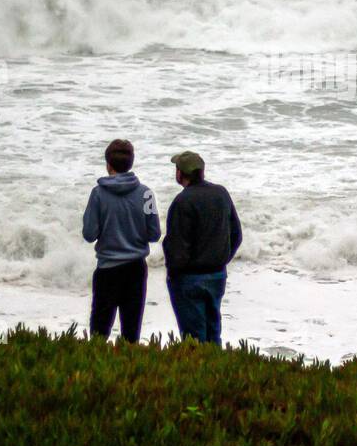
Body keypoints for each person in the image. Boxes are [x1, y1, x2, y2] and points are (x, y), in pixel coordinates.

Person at [81, 139, 161, 342]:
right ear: (131, 163)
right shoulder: (146, 194)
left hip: (107, 269)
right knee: (131, 333)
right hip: (135, 269)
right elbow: (154, 234)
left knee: (99, 333)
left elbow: (89, 234)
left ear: (108, 164)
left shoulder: (98, 194)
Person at [163, 151, 242, 345]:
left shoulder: (182, 201)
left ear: (180, 174)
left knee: (193, 340)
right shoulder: (221, 193)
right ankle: (215, 372)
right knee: (213, 334)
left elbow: (177, 246)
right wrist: (222, 259)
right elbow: (236, 234)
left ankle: (197, 373)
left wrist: (174, 273)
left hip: (189, 278)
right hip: (217, 275)